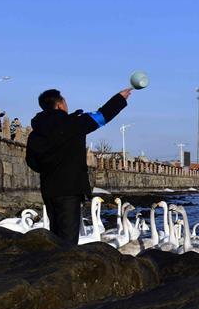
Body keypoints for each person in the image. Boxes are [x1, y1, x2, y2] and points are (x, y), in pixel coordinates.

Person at [25, 88, 134, 243]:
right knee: (68, 239)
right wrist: (120, 98)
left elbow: (31, 161)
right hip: (70, 189)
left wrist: (49, 169)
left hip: (49, 189)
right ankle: (66, 265)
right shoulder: (73, 123)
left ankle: (53, 263)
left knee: (55, 234)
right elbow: (102, 116)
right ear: (59, 104)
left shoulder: (35, 133)